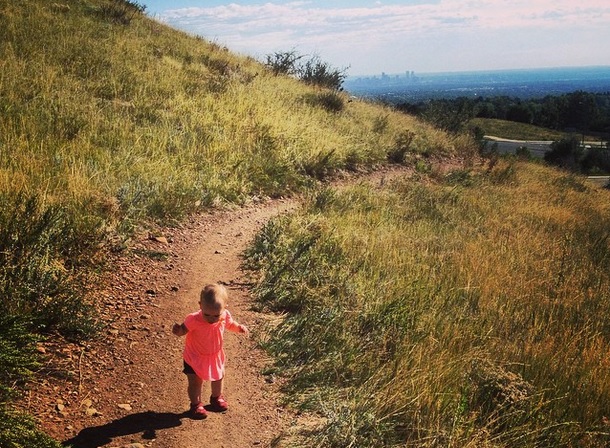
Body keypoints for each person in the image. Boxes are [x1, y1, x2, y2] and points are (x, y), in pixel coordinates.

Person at [172, 283, 249, 419]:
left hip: (214, 355)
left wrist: (239, 328)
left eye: (215, 316)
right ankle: (196, 404)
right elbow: (183, 330)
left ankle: (216, 398)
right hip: (194, 356)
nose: (211, 319)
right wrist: (179, 331)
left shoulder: (224, 315)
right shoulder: (194, 319)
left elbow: (230, 324)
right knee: (195, 381)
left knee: (219, 376)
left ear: (225, 308)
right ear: (200, 305)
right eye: (207, 314)